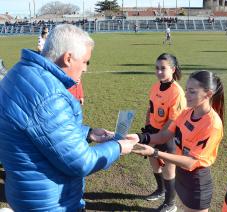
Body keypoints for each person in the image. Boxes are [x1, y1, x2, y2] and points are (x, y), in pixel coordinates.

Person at [0, 24, 137, 211]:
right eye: (85, 61)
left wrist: (88, 134)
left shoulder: (21, 72)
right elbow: (80, 161)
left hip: (25, 193)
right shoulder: (48, 96)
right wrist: (118, 147)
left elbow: (39, 129)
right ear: (68, 58)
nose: (86, 69)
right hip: (50, 203)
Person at [131, 71, 224, 212]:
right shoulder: (186, 112)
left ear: (208, 94)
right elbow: (164, 136)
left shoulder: (212, 124)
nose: (186, 95)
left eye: (192, 92)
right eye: (186, 90)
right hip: (181, 176)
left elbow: (191, 162)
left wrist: (155, 152)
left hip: (196, 182)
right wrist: (139, 137)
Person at [141, 53, 186, 212]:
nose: (159, 72)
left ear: (173, 69)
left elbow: (173, 120)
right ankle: (160, 190)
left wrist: (159, 135)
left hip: (168, 135)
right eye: (157, 68)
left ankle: (170, 203)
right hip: (153, 132)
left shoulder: (177, 93)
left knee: (168, 169)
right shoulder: (155, 86)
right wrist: (147, 126)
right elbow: (150, 109)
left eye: (163, 68)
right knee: (153, 161)